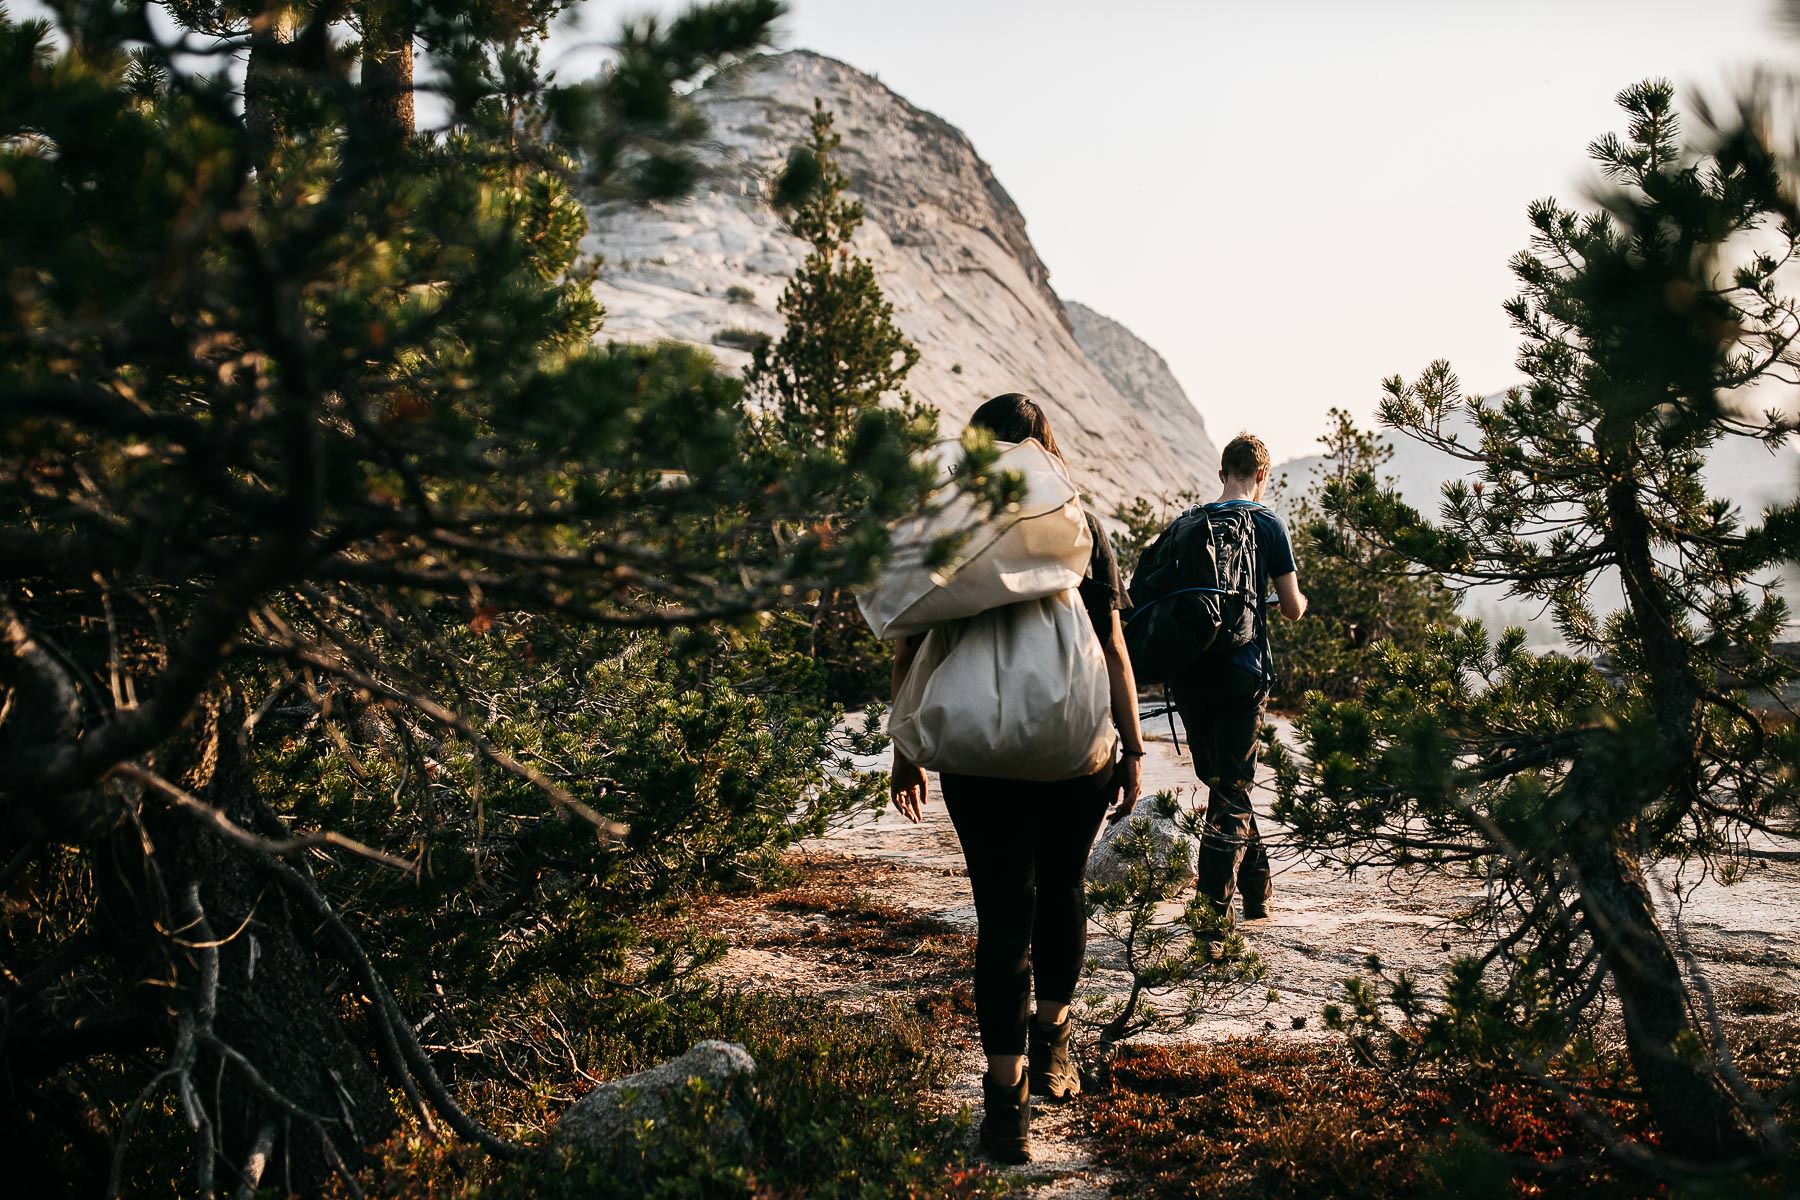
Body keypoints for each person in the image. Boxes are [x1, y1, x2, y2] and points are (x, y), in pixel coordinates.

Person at [888, 393, 1145, 1165]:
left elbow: (910, 637)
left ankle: (1005, 1110)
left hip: (976, 753)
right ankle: (1054, 1046)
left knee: (1002, 917)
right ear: (1044, 445)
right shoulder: (1081, 521)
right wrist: (1131, 748)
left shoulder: (956, 526)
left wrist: (905, 747)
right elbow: (1112, 644)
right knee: (1062, 889)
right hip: (1074, 747)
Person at [1172, 432, 1306, 950]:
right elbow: (1292, 607)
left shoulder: (1191, 521)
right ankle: (1210, 917)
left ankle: (1257, 890)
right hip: (1242, 673)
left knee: (1223, 781)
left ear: (1221, 470)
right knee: (1231, 787)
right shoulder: (1267, 522)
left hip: (1189, 672)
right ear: (1263, 476)